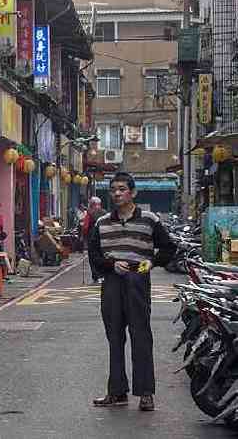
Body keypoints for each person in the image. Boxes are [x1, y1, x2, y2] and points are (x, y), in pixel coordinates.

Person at [88, 172, 175, 412]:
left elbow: (169, 248)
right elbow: (93, 254)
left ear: (133, 192)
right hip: (112, 281)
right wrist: (110, 265)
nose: (117, 193)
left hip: (138, 280)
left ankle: (145, 393)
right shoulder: (102, 222)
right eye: (113, 189)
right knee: (114, 337)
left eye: (122, 189)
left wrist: (152, 263)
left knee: (141, 336)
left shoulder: (149, 219)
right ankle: (117, 392)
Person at [82, 197, 107, 283]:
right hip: (103, 238)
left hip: (92, 239)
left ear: (92, 204)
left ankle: (96, 276)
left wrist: (83, 236)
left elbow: (85, 227)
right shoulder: (104, 213)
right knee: (102, 256)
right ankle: (103, 274)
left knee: (93, 257)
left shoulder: (89, 213)